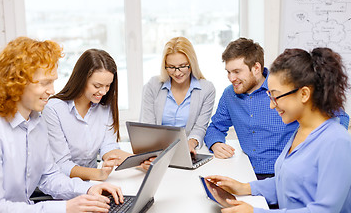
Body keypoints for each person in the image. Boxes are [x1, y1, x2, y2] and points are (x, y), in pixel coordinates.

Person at [206, 47, 351, 213]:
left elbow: (325, 210)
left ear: (304, 94)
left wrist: (255, 212)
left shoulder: (336, 142)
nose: (271, 104)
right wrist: (243, 187)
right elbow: (287, 182)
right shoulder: (301, 131)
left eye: (275, 96)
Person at [0, 37, 124, 212]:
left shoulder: (36, 123)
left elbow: (49, 177)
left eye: (52, 81)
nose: (52, 91)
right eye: (44, 83)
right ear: (16, 82)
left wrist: (89, 189)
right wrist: (65, 208)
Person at [43, 49, 133, 181]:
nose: (103, 92)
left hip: (93, 183)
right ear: (81, 79)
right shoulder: (54, 109)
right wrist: (98, 174)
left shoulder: (104, 106)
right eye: (97, 86)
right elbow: (62, 164)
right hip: (63, 186)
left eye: (108, 86)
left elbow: (108, 147)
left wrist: (140, 162)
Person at [140, 36, 215, 154]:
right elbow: (148, 126)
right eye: (171, 67)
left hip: (186, 150)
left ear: (191, 63)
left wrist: (190, 144)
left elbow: (200, 127)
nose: (177, 73)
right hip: (157, 150)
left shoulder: (206, 89)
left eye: (182, 66)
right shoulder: (153, 85)